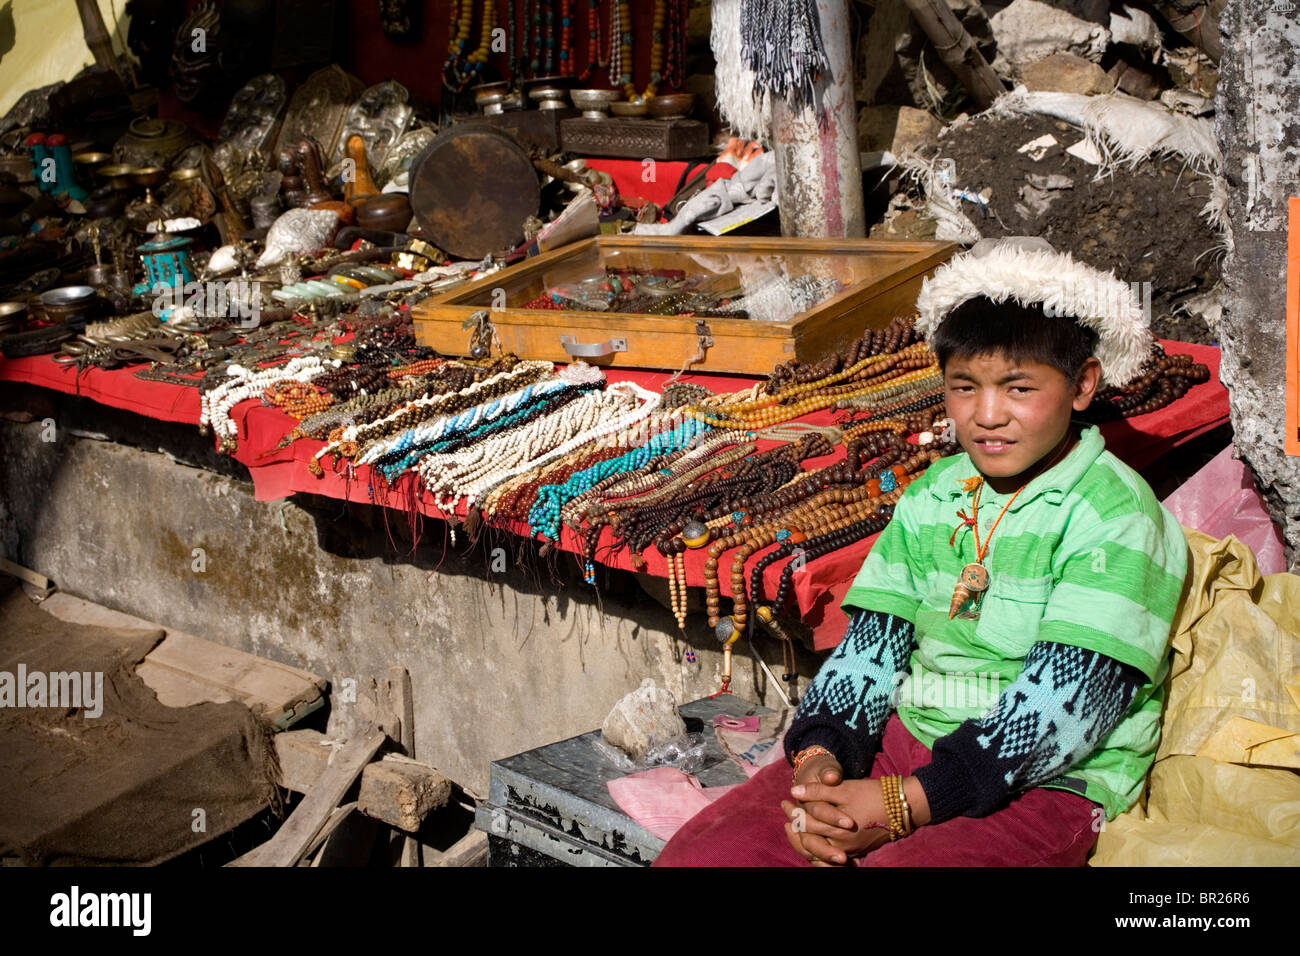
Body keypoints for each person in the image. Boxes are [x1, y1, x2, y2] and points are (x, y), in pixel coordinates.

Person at [653, 240, 1191, 867]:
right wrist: (824, 762)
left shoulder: (1115, 517)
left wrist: (904, 803)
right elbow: (871, 649)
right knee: (711, 855)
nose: (987, 416)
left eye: (1018, 388)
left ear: (1083, 385)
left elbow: (1067, 708)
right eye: (965, 387)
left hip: (1045, 780)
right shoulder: (934, 493)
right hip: (904, 744)